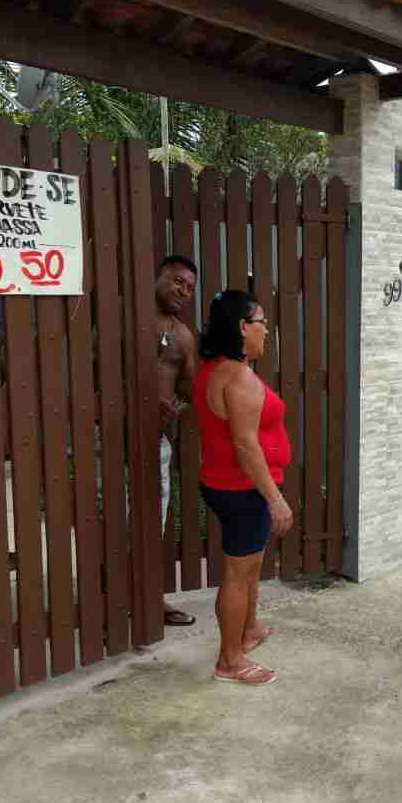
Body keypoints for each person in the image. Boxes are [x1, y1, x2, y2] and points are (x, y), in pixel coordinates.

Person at [194, 290, 293, 685]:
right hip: (243, 490)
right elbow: (245, 445)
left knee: (250, 566)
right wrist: (275, 499)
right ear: (242, 327)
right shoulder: (237, 377)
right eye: (262, 323)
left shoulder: (214, 367)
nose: (266, 331)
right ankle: (229, 660)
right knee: (239, 573)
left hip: (227, 485)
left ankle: (248, 631)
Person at [155, 255, 199, 626]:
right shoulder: (124, 319)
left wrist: (175, 408)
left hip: (154, 441)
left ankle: (151, 599)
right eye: (177, 282)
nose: (184, 292)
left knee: (152, 525)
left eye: (190, 288)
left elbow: (190, 389)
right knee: (108, 524)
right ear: (158, 278)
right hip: (105, 439)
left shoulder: (183, 336)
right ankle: (107, 603)